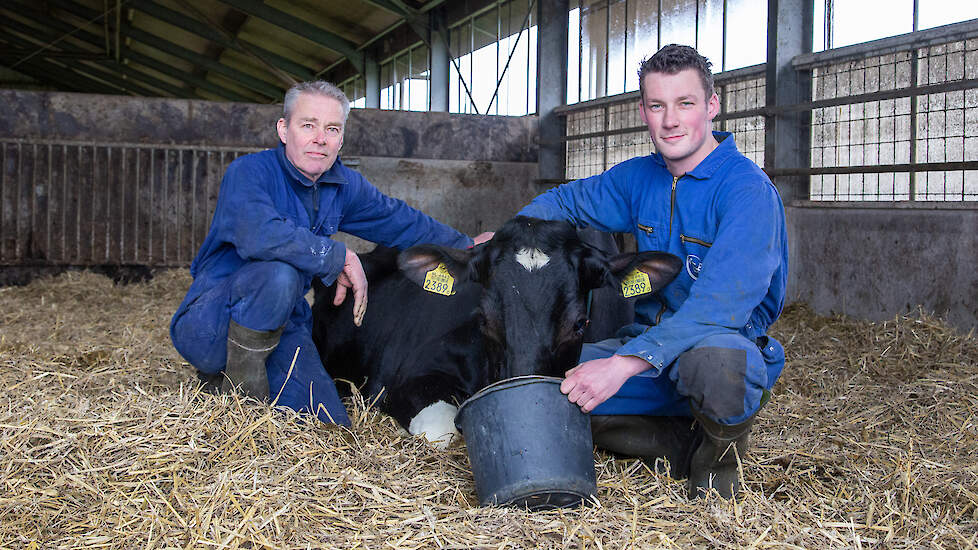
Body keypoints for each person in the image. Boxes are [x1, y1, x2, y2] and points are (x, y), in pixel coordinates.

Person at [518, 45, 788, 499]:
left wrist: (619, 367)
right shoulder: (638, 178)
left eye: (685, 103)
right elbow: (562, 202)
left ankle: (716, 478)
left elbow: (718, 307)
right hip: (644, 342)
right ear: (643, 110)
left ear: (711, 106)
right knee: (541, 382)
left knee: (720, 367)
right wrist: (511, 234)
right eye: (657, 105)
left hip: (717, 345)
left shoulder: (747, 191)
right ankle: (680, 446)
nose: (671, 121)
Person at [170, 81, 489, 426]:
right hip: (211, 324)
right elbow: (257, 234)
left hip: (282, 329)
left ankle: (242, 384)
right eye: (307, 125)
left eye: (332, 129)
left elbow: (398, 220)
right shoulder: (249, 173)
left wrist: (466, 245)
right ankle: (237, 394)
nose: (320, 138)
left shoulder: (341, 185)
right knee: (280, 272)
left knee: (328, 427)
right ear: (283, 129)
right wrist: (337, 256)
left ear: (341, 138)